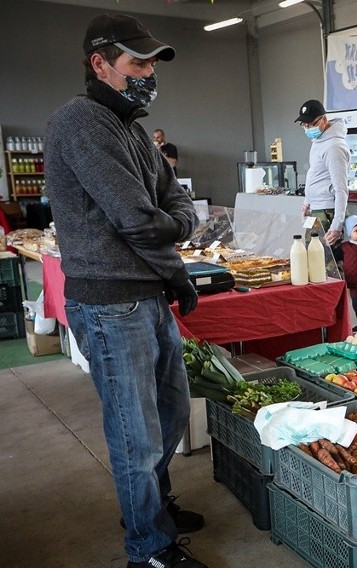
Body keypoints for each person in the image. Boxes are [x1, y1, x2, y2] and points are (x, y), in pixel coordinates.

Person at [44, 13, 207, 568]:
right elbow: (137, 219)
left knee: (172, 411)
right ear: (99, 64)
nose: (148, 73)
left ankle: (149, 508)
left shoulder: (133, 130)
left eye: (151, 63)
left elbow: (178, 202)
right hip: (111, 302)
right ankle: (149, 547)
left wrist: (173, 232)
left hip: (147, 296)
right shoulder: (81, 124)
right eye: (137, 62)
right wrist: (176, 264)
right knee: (135, 434)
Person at [295, 99, 349, 245]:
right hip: (316, 210)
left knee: (327, 263)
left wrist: (337, 225)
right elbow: (316, 174)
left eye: (311, 124)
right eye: (304, 125)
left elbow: (341, 189)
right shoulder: (318, 141)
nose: (307, 128)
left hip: (327, 212)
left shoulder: (334, 147)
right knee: (312, 258)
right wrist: (308, 200)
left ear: (324, 119)